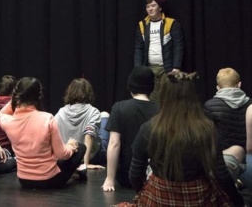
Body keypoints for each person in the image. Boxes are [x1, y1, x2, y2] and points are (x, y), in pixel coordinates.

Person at [128, 72, 243, 206]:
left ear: (164, 96)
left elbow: (135, 174)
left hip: (159, 197)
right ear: (194, 96)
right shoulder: (206, 129)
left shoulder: (149, 128)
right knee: (236, 153)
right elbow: (221, 174)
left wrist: (143, 193)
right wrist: (237, 201)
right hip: (199, 198)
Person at [0, 77, 86, 189]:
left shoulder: (7, 122)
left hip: (24, 180)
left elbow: (1, 113)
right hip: (49, 180)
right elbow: (61, 154)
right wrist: (71, 146)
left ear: (17, 94)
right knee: (81, 147)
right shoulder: (48, 119)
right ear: (38, 96)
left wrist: (17, 97)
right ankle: (77, 172)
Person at [102, 66, 159, 191]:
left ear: (130, 86)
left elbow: (114, 144)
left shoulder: (119, 108)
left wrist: (109, 179)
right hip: (153, 178)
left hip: (125, 178)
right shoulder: (160, 111)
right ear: (152, 88)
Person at [134, 0, 184, 103]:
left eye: (153, 5)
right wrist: (138, 68)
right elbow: (138, 48)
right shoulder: (142, 25)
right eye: (148, 6)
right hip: (149, 68)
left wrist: (176, 67)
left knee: (169, 99)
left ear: (160, 7)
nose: (150, 9)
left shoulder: (171, 24)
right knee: (152, 100)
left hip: (167, 69)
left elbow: (178, 46)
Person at [204, 68, 250, 182]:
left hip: (223, 164)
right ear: (239, 85)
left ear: (218, 88)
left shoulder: (210, 106)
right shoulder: (251, 105)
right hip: (248, 162)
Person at [55, 78, 105, 169]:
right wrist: (86, 164)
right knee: (105, 115)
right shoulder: (93, 111)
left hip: (68, 157)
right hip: (90, 157)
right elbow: (88, 136)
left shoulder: (60, 112)